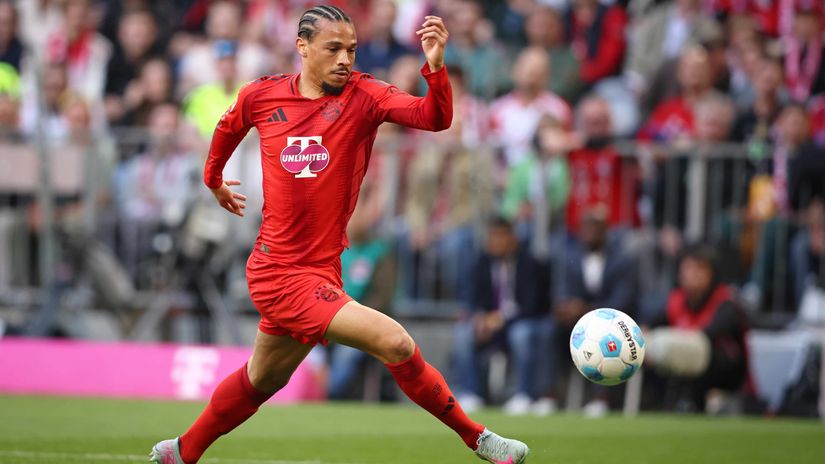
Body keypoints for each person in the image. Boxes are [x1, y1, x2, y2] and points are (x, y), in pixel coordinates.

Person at [149, 6, 529, 464]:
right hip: (279, 272)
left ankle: (181, 452)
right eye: (333, 49)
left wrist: (435, 66)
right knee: (397, 344)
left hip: (323, 270)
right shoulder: (262, 95)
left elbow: (434, 118)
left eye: (351, 49)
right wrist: (214, 181)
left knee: (260, 381)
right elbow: (228, 127)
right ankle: (481, 440)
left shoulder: (365, 95)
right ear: (302, 47)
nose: (345, 59)